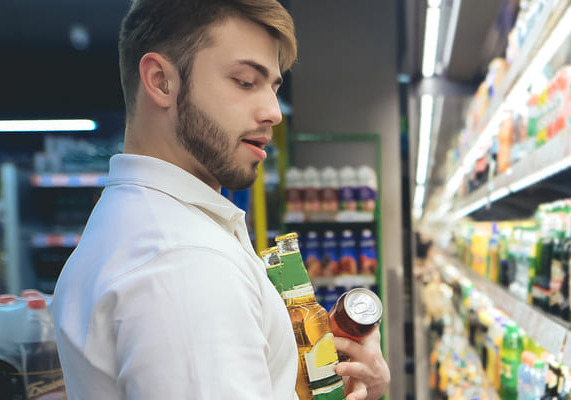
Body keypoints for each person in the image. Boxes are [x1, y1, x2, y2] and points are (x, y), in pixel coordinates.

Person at [50, 0, 391, 398]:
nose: (273, 112)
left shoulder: (136, 222)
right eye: (246, 81)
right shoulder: (183, 264)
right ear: (161, 80)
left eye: (273, 87)